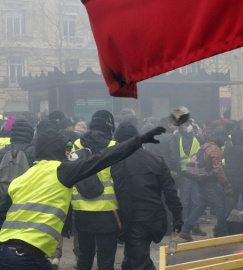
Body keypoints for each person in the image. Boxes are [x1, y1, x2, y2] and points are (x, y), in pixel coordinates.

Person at [0, 126, 165, 269]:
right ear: (56, 150)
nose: (69, 153)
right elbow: (102, 159)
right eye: (66, 149)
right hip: (27, 257)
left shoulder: (22, 178)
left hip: (7, 252)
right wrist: (139, 140)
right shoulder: (61, 171)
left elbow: (3, 211)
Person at [111, 122, 183, 270]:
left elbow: (121, 193)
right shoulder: (156, 160)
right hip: (156, 218)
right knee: (131, 259)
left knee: (140, 263)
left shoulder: (116, 162)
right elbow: (170, 191)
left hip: (134, 221)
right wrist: (177, 217)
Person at [71, 110, 121, 270]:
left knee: (84, 257)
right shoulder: (114, 146)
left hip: (81, 210)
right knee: (106, 260)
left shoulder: (76, 145)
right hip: (108, 211)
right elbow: (120, 181)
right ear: (109, 127)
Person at [180, 127, 232, 241]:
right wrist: (226, 185)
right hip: (210, 182)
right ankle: (222, 234)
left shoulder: (204, 145)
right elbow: (218, 170)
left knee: (200, 206)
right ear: (220, 137)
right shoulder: (215, 149)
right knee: (221, 206)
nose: (224, 142)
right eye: (224, 139)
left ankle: (185, 229)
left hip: (199, 180)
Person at [224, 130, 243, 216]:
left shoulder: (229, 150)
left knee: (233, 199)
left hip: (231, 179)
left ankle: (223, 218)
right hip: (242, 178)